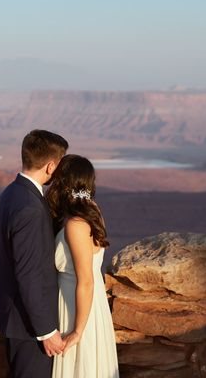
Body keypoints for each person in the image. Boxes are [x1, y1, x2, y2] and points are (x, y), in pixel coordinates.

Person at [0, 129, 69, 378]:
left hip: (17, 320)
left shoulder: (11, 193)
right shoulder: (31, 208)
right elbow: (29, 274)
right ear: (50, 166)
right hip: (29, 327)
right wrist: (47, 331)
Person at [45, 154, 119, 378]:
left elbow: (85, 279)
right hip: (88, 304)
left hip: (77, 308)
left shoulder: (76, 224)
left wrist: (77, 331)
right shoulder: (91, 210)